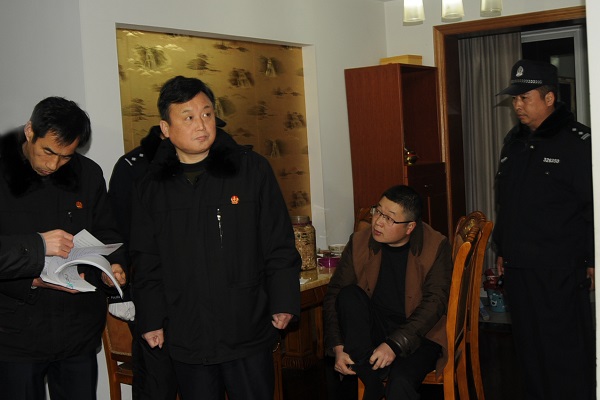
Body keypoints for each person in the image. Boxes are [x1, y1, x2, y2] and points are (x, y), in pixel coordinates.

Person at [130, 76, 301, 399]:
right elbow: (146, 259)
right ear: (165, 128)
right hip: (187, 329)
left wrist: (283, 301)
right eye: (188, 117)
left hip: (246, 324)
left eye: (207, 114)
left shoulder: (251, 170)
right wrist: (151, 319)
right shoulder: (151, 186)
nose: (201, 125)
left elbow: (278, 242)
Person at [0, 96, 127, 399]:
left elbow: (107, 231)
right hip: (15, 334)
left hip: (77, 331)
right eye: (48, 151)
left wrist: (113, 267)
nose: (53, 165)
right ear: (30, 131)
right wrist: (36, 258)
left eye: (66, 156)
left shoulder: (88, 174)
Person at [494, 59, 594, 400]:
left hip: (559, 268)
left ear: (549, 98)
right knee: (529, 350)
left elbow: (591, 206)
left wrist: (592, 258)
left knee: (565, 351)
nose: (517, 105)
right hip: (519, 267)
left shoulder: (578, 142)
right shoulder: (514, 141)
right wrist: (502, 249)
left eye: (525, 97)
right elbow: (506, 203)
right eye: (515, 98)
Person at [323, 185, 452, 400]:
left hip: (420, 334)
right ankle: (372, 379)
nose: (378, 222)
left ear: (410, 227)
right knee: (348, 295)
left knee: (400, 382)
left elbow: (435, 303)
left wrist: (394, 344)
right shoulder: (359, 241)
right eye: (378, 211)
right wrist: (338, 346)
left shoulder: (435, 245)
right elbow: (334, 295)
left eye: (389, 218)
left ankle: (369, 373)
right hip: (375, 328)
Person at [108, 125, 178, 399]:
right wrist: (121, 294)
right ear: (166, 127)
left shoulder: (199, 163)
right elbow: (117, 230)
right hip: (148, 288)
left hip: (188, 292)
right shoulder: (133, 166)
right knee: (156, 377)